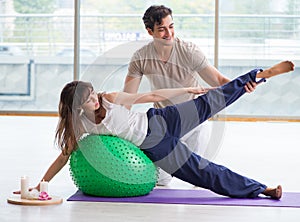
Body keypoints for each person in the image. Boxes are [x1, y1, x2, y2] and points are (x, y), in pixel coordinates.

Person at [14, 61, 294, 199]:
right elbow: (63, 156)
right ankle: (263, 189)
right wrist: (42, 183)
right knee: (206, 172)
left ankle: (255, 77)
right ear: (76, 108)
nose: (94, 98)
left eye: (92, 93)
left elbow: (147, 97)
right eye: (88, 99)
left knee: (209, 101)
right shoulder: (81, 125)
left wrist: (185, 90)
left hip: (160, 120)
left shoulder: (109, 98)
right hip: (155, 147)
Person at [123, 5, 259, 185]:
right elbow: (127, 98)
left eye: (171, 26)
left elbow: (218, 79)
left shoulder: (188, 51)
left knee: (199, 179)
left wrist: (242, 86)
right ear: (150, 31)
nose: (169, 33)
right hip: (164, 125)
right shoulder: (140, 58)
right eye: (162, 29)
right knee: (161, 181)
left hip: (193, 122)